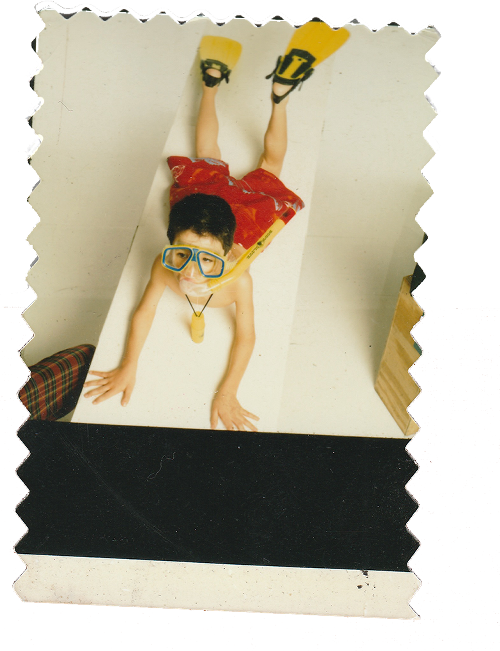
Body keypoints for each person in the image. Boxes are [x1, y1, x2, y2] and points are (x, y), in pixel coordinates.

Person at [82, 38, 307, 431]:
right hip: (206, 212)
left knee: (260, 164)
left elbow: (246, 337)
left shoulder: (239, 281)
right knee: (208, 153)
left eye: (207, 260)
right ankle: (210, 84)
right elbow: (144, 310)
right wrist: (128, 364)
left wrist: (227, 392)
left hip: (238, 218)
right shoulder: (166, 265)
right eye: (181, 255)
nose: (190, 271)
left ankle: (280, 99)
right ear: (170, 246)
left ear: (230, 253)